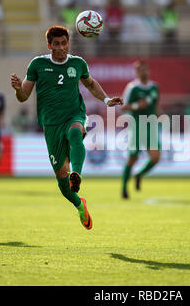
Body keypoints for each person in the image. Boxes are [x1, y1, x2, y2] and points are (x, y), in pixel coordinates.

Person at [10, 26, 123, 230]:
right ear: (49, 45)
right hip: (51, 124)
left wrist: (106, 100)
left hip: (74, 114)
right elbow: (24, 96)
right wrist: (18, 89)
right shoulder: (38, 64)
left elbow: (90, 84)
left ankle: (76, 174)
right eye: (56, 44)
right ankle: (80, 205)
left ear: (68, 43)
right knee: (63, 187)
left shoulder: (78, 63)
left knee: (75, 132)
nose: (61, 48)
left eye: (64, 43)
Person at [120, 60, 161, 199]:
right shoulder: (132, 88)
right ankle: (124, 188)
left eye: (144, 69)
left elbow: (154, 104)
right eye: (139, 70)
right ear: (136, 72)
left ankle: (139, 175)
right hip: (136, 125)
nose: (142, 72)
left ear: (148, 71)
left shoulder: (154, 87)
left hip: (151, 125)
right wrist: (137, 106)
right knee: (133, 158)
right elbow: (123, 107)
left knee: (155, 157)